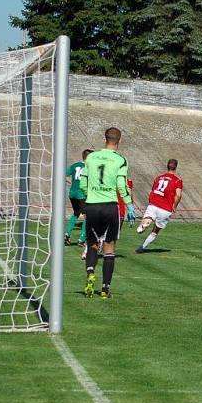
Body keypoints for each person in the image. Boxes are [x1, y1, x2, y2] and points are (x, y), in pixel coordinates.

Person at [79, 127, 132, 299]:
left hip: (92, 205)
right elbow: (121, 184)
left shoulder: (92, 157)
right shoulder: (121, 160)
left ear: (104, 139)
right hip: (110, 206)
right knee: (109, 247)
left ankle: (90, 274)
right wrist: (129, 204)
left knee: (92, 243)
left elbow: (83, 182)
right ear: (119, 141)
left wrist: (88, 197)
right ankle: (105, 288)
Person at [136, 159, 183, 253]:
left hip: (154, 204)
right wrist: (175, 206)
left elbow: (153, 190)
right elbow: (178, 195)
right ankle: (142, 247)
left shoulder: (158, 178)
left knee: (148, 217)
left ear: (167, 166)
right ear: (176, 167)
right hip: (165, 208)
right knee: (155, 231)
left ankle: (146, 221)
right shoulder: (177, 180)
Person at [64, 149, 92, 246]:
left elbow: (64, 173)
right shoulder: (89, 167)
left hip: (72, 194)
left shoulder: (75, 165)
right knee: (87, 216)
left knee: (76, 213)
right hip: (82, 195)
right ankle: (82, 239)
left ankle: (66, 234)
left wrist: (70, 182)